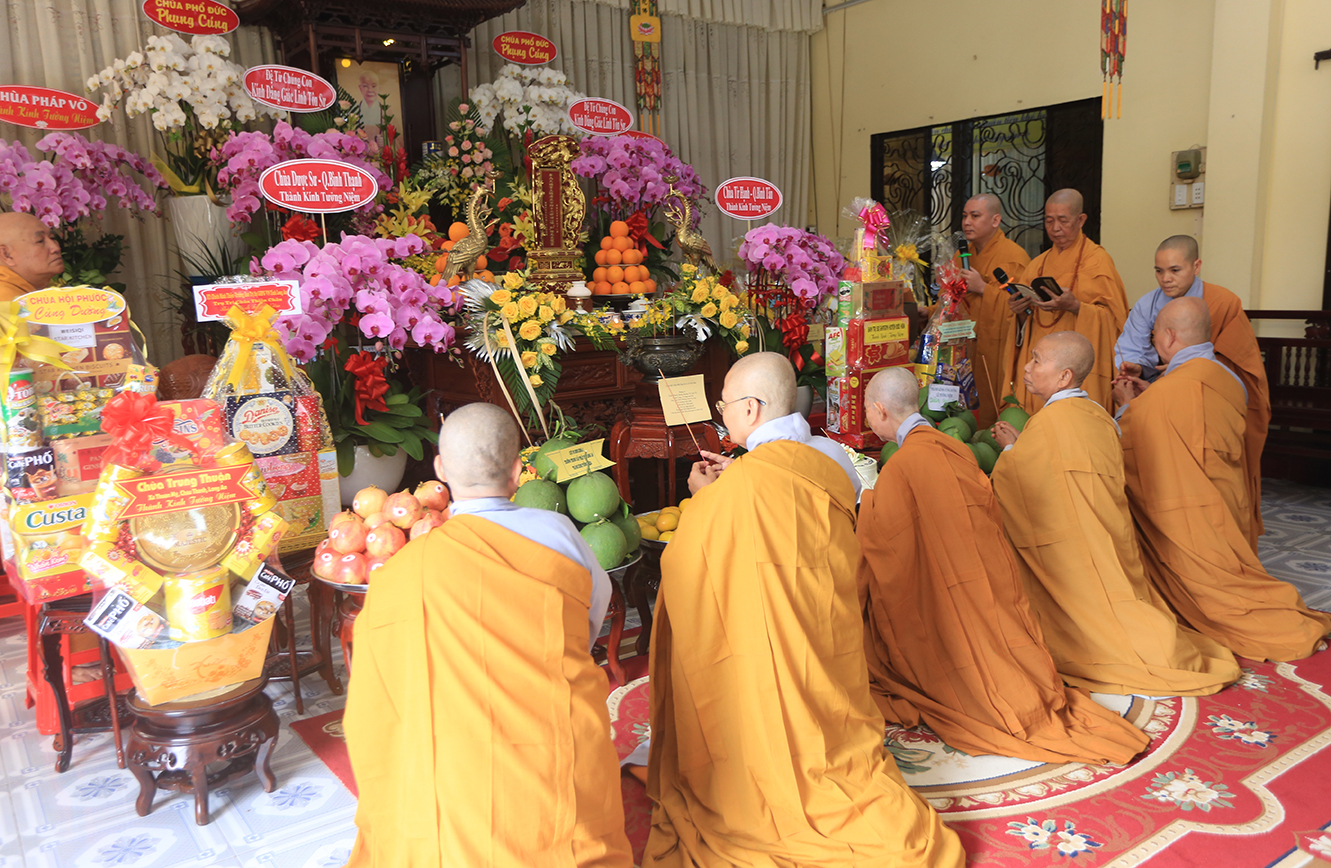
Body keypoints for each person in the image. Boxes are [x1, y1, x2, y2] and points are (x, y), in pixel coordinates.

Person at [642, 353, 964, 868]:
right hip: (828, 639)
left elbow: (685, 568)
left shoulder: (737, 489)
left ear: (750, 409)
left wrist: (704, 499)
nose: (723, 415)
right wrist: (736, 481)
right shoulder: (832, 458)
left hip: (771, 647)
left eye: (725, 406)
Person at [342, 403, 630, 867]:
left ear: (440, 470)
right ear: (518, 471)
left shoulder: (404, 571)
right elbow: (591, 618)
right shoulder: (559, 533)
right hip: (556, 743)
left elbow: (378, 698)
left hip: (455, 766)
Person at [857, 366, 1149, 766]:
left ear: (879, 410)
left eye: (867, 412)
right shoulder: (953, 448)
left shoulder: (901, 467)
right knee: (996, 644)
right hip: (984, 583)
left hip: (947, 596)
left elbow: (885, 546)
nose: (869, 419)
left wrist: (866, 503)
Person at [990, 332, 1239, 696]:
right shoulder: (1098, 415)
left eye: (1037, 360)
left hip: (1076, 551)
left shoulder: (1048, 424)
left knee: (1099, 618)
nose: (1027, 368)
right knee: (1125, 604)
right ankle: (1159, 642)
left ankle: (1150, 649)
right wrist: (1022, 446)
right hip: (1111, 540)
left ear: (1064, 377)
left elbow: (1019, 484)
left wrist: (1011, 450)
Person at [1116, 298, 1331, 661]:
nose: (1153, 343)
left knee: (1213, 588)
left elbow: (1130, 439)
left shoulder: (1169, 392)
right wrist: (1150, 399)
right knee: (1233, 571)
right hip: (1229, 499)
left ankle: (1279, 627)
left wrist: (1128, 406)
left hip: (1190, 512)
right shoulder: (1225, 377)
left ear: (1169, 336)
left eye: (1154, 336)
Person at [1114, 235, 1271, 547]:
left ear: (1196, 266)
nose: (1166, 279)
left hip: (1204, 399)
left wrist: (1178, 371)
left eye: (1175, 270)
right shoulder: (1147, 304)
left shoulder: (1223, 303)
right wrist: (1143, 371)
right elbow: (1130, 351)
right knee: (1171, 476)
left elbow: (1236, 363)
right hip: (1165, 393)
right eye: (1159, 271)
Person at [998, 189, 1128, 414]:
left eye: (1063, 220)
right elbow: (1023, 323)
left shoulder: (1098, 261)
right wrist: (1019, 312)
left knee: (1074, 419)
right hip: (1040, 361)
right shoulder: (1037, 265)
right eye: (1049, 221)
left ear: (1081, 220)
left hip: (1075, 366)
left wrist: (1075, 306)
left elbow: (1115, 320)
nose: (1055, 228)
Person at [958, 193, 1032, 427]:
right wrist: (930, 312)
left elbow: (1021, 306)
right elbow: (953, 300)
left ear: (995, 220)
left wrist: (982, 288)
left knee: (992, 399)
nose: (967, 222)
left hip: (996, 346)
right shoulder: (961, 256)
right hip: (965, 344)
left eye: (975, 216)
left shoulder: (1014, 256)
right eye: (965, 216)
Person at [0, 212, 64, 302]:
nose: (56, 248)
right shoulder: (6, 303)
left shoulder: (33, 290)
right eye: (40, 241)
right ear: (7, 255)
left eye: (52, 238)